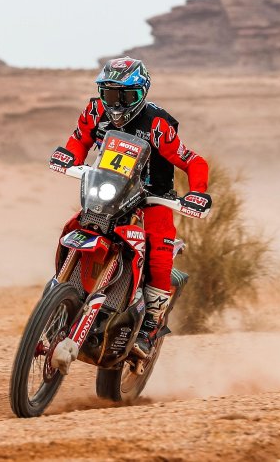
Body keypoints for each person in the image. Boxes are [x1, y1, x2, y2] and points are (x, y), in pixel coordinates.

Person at [48, 56, 211, 357]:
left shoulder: (158, 125)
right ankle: (60, 289)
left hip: (153, 195)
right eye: (110, 94)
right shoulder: (96, 110)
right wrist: (69, 156)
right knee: (74, 225)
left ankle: (150, 324)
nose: (117, 104)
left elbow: (192, 161)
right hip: (110, 188)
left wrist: (197, 193)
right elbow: (79, 139)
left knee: (159, 253)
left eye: (126, 96)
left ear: (143, 93)